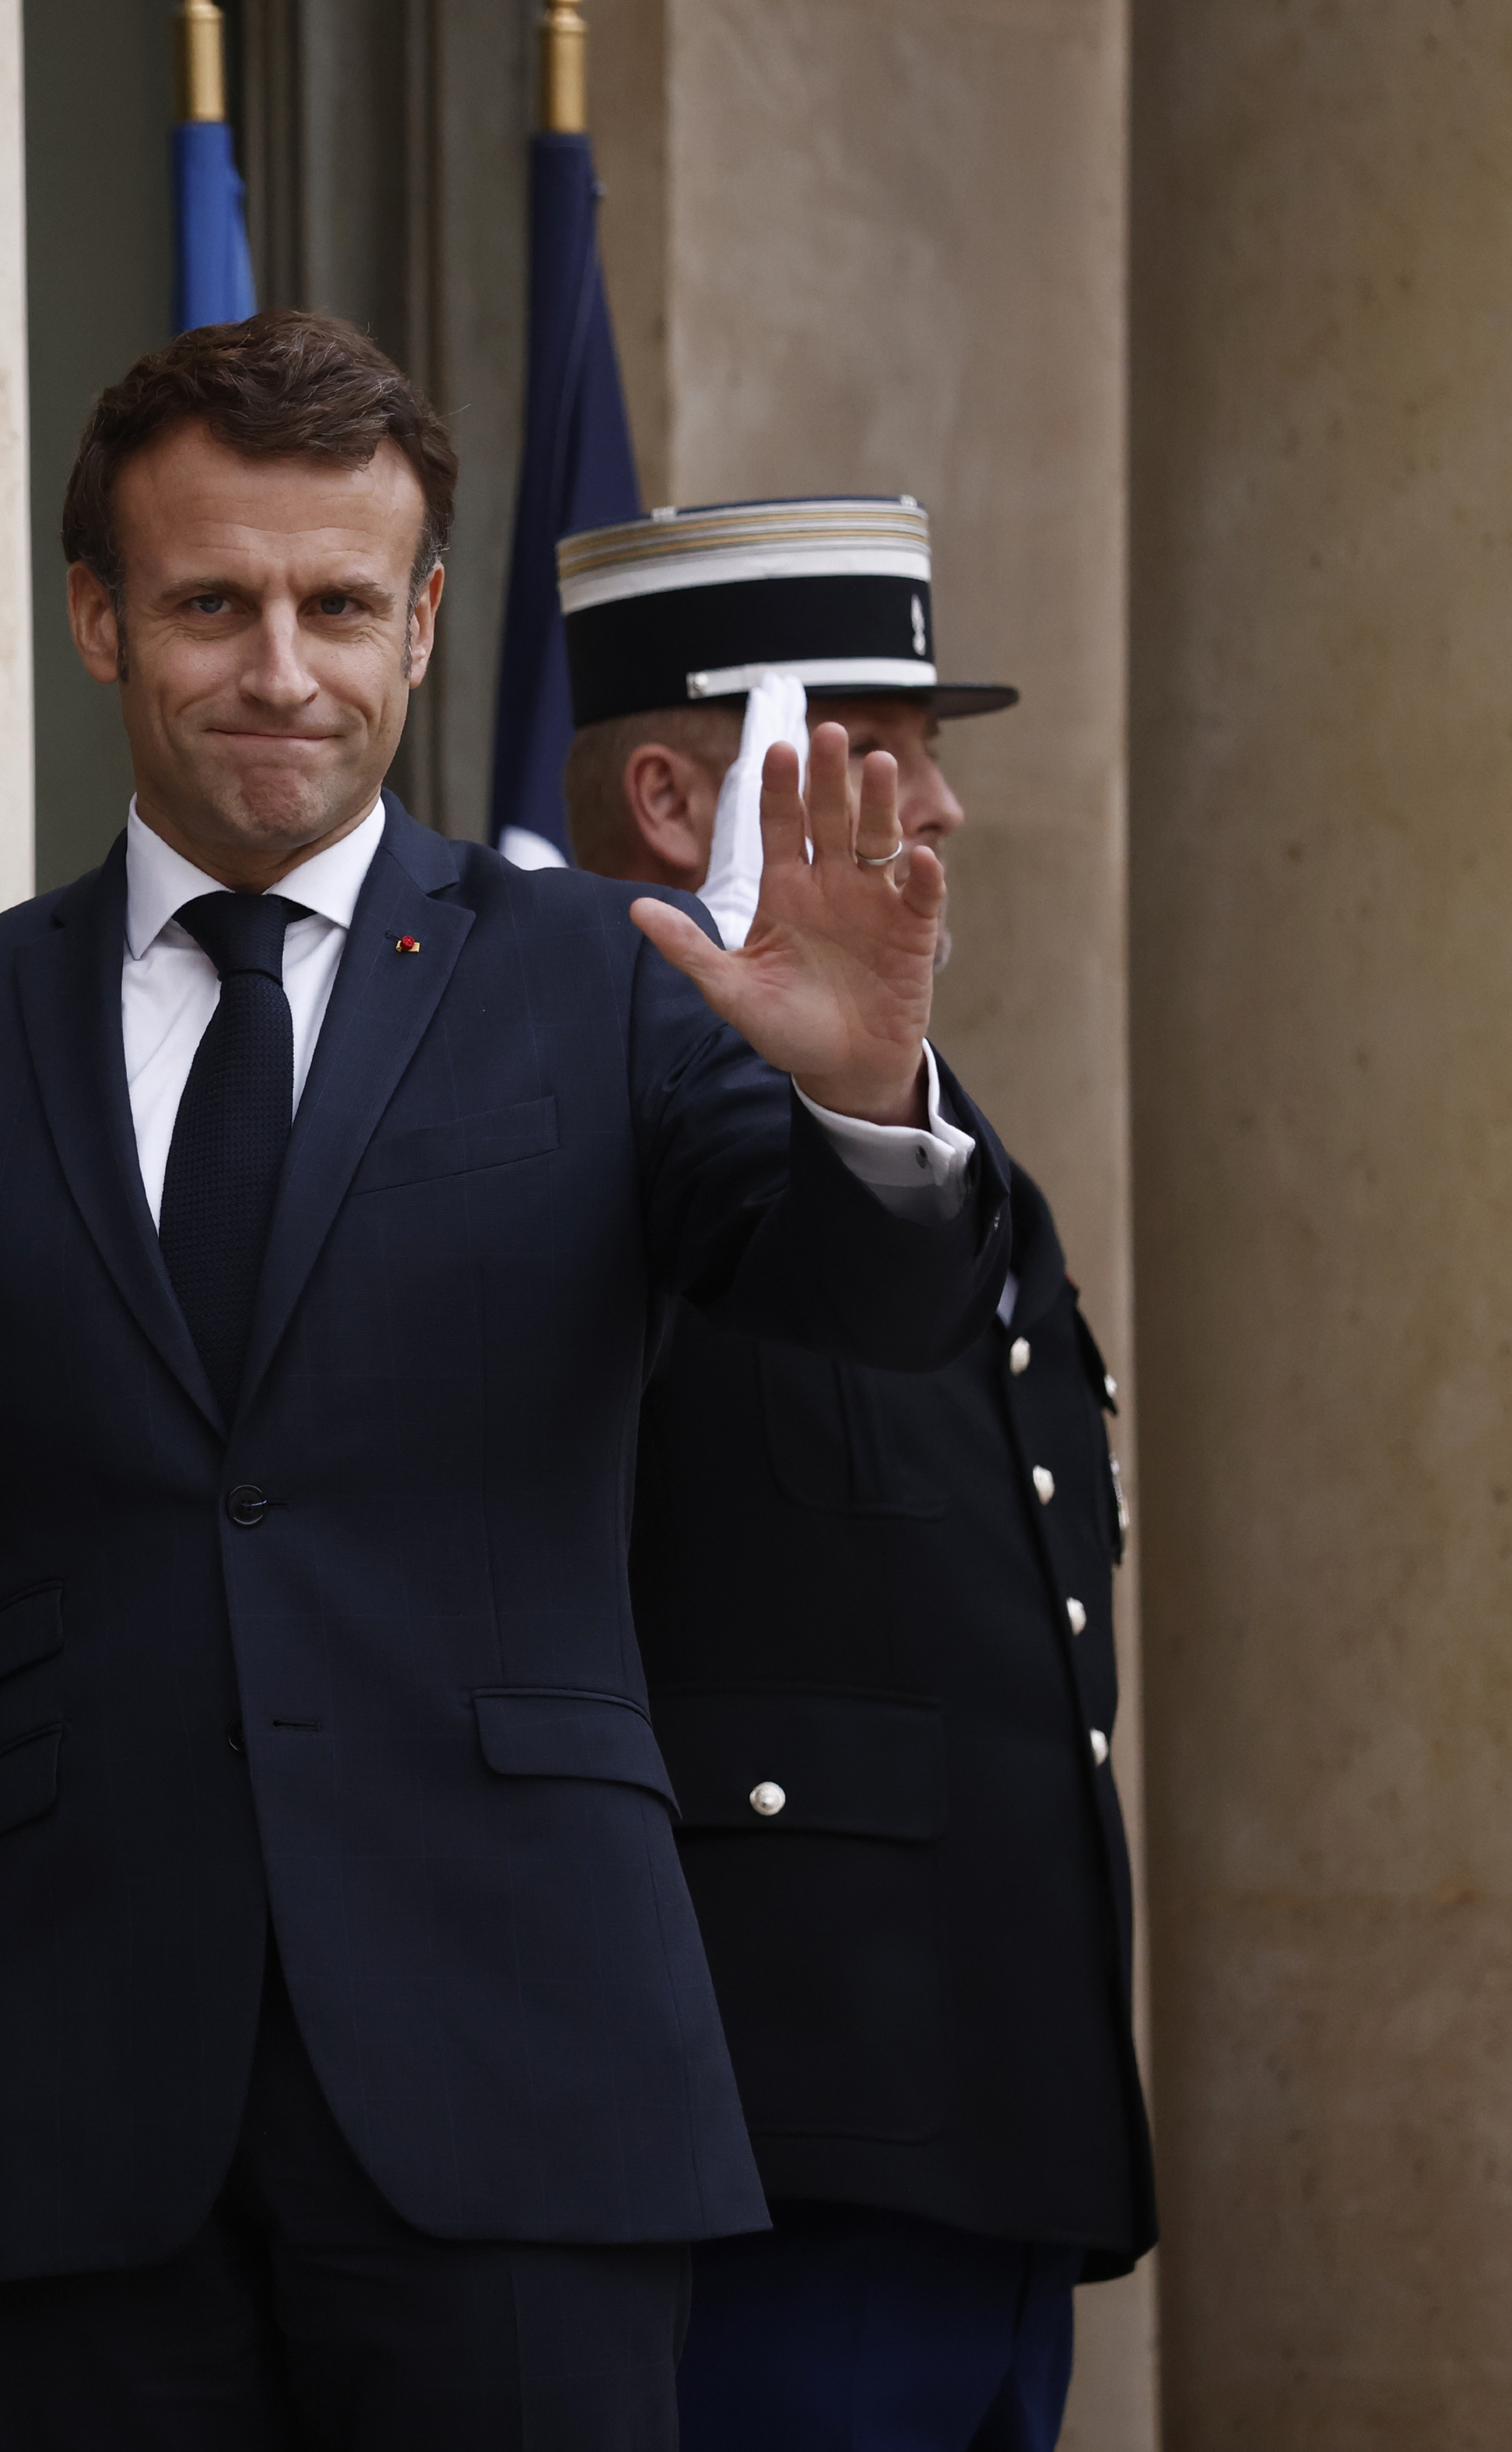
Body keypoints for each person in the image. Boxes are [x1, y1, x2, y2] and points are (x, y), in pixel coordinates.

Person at [0, 311, 1021, 2447]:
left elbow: (862, 1329)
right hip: (78, 2136)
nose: (278, 668)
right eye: (209, 602)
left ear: (424, 629)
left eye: (339, 605)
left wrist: (868, 1099)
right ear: (92, 616)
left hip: (530, 2097)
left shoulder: (610, 990)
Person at [557, 496, 1152, 2451]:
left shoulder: (908, 1118)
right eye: (871, 753)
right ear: (671, 795)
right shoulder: (582, 1110)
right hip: (767, 2153)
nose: (939, 808)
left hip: (980, 2137)